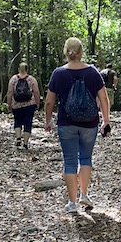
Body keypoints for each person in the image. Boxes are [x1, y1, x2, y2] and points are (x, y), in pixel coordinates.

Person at [44, 37, 111, 213]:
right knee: (86, 158)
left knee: (70, 161)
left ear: (66, 52)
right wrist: (106, 121)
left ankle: (72, 203)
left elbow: (49, 102)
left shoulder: (58, 74)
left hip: (66, 123)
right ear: (81, 52)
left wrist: (48, 120)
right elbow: (104, 98)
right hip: (90, 123)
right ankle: (84, 194)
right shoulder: (93, 72)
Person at [6, 62, 41, 149]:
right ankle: (25, 143)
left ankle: (18, 138)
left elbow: (10, 92)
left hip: (16, 104)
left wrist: (9, 103)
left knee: (17, 121)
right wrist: (37, 103)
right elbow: (36, 92)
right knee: (28, 122)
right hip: (30, 104)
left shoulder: (13, 79)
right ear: (27, 69)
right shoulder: (31, 79)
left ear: (18, 69)